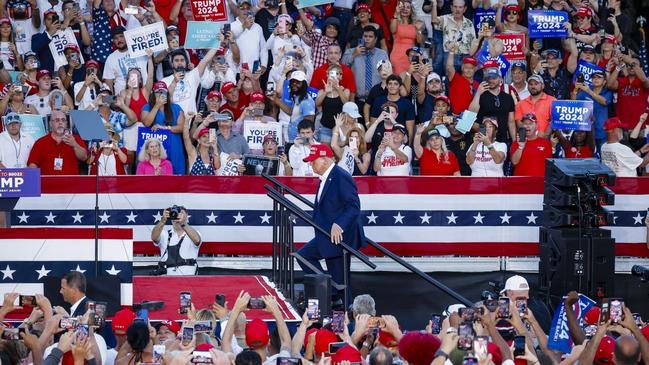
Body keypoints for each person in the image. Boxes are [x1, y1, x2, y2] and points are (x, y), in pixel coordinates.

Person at [299, 143, 366, 305]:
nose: (310, 164)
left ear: (325, 160)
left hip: (338, 238)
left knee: (341, 281)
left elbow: (353, 206)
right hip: (327, 235)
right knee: (304, 256)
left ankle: (346, 311)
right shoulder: (327, 177)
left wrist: (339, 224)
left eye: (313, 161)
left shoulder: (340, 176)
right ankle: (331, 292)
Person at [141, 82, 185, 175]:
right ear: (153, 93)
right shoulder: (147, 107)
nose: (161, 95)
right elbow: (146, 123)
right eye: (158, 92)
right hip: (155, 149)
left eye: (163, 92)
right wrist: (157, 105)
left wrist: (164, 128)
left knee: (176, 176)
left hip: (174, 147)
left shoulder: (176, 107)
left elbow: (181, 127)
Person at [27, 109, 87, 175]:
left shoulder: (75, 139)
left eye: (63, 120)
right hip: (47, 184)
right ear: (50, 124)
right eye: (57, 120)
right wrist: (35, 181)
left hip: (71, 184)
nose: (60, 122)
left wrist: (75, 145)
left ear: (66, 124)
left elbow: (84, 157)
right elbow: (32, 165)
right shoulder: (40, 142)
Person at [150, 205, 202, 276]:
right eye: (175, 213)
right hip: (167, 280)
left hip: (188, 280)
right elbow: (154, 237)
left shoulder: (193, 233)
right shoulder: (164, 234)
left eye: (180, 213)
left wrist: (183, 224)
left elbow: (197, 240)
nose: (177, 215)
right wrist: (163, 221)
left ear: (186, 216)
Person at [389, 0, 424, 75]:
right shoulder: (395, 21)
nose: (405, 9)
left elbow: (420, 41)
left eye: (408, 7)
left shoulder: (415, 24)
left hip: (411, 57)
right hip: (397, 56)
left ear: (411, 11)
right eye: (403, 7)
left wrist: (419, 30)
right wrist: (396, 12)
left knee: (410, 81)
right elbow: (392, 30)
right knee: (399, 82)